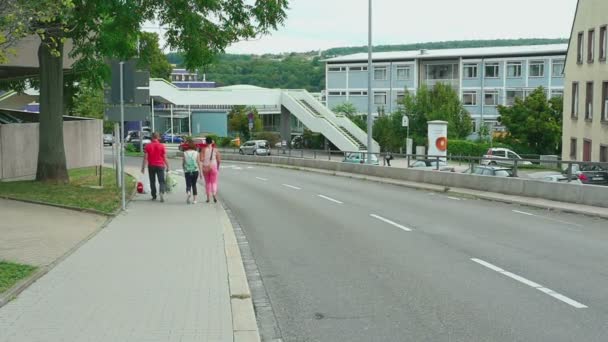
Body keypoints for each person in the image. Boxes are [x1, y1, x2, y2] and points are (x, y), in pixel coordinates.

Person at [141, 132, 169, 202]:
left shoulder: (148, 146)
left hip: (151, 166)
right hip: (160, 165)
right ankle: (161, 192)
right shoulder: (161, 146)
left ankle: (154, 196)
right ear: (158, 137)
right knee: (161, 181)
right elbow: (165, 157)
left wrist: (143, 168)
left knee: (152, 181)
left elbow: (145, 158)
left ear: (151, 137)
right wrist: (168, 166)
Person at [199, 137, 221, 203]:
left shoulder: (203, 150)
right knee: (214, 182)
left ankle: (208, 198)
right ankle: (214, 194)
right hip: (213, 166)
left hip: (205, 167)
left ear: (206, 142)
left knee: (207, 183)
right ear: (212, 142)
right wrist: (218, 167)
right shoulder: (216, 150)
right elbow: (219, 160)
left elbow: (201, 160)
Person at [182, 137, 200, 204]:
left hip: (188, 171)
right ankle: (195, 200)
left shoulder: (185, 153)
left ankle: (189, 192)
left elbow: (183, 163)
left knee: (188, 184)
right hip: (195, 171)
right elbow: (198, 162)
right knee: (194, 184)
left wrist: (184, 169)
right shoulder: (196, 153)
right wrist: (200, 172)